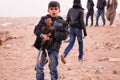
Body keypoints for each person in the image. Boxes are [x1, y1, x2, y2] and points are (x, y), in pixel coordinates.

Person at [33, 1, 68, 80]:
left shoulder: (63, 22)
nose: (53, 11)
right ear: (48, 10)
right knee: (38, 68)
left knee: (53, 70)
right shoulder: (44, 19)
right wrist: (42, 35)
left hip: (54, 49)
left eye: (56, 9)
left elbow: (65, 35)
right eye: (51, 9)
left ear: (59, 11)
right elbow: (36, 29)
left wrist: (53, 35)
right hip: (43, 48)